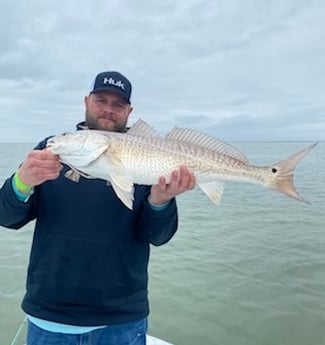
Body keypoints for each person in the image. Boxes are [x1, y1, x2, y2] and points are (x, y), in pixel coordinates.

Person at [0, 71, 196, 345]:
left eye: (118, 104)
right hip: (51, 314)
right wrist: (22, 182)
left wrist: (160, 201)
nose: (108, 109)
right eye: (100, 100)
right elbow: (6, 217)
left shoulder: (146, 160)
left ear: (129, 111)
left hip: (121, 318)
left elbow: (158, 236)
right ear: (86, 101)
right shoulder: (48, 151)